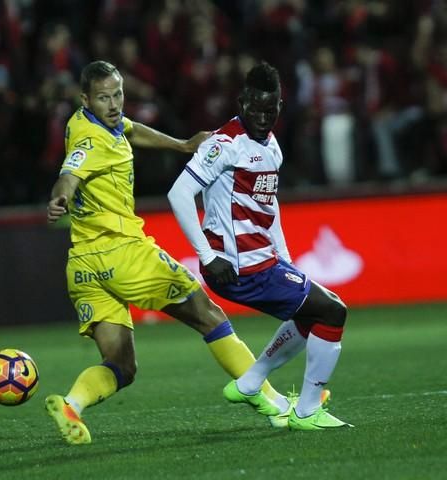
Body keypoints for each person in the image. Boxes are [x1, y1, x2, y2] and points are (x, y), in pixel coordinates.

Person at [45, 60, 289, 446]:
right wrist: (60, 197)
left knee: (122, 365)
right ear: (85, 98)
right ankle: (273, 403)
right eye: (104, 98)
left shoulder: (85, 120)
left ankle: (72, 403)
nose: (113, 104)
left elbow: (131, 129)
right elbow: (69, 174)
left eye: (117, 94)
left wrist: (181, 145)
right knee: (208, 315)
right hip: (123, 254)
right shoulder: (90, 142)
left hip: (82, 266)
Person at [167, 61, 351, 430]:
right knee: (332, 312)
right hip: (237, 267)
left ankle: (250, 384)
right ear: (241, 102)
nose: (262, 117)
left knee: (308, 314)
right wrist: (206, 255)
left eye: (270, 109)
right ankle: (307, 412)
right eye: (254, 108)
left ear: (280, 107)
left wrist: (284, 257)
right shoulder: (224, 144)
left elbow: (269, 206)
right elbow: (179, 193)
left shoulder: (272, 148)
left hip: (263, 261)